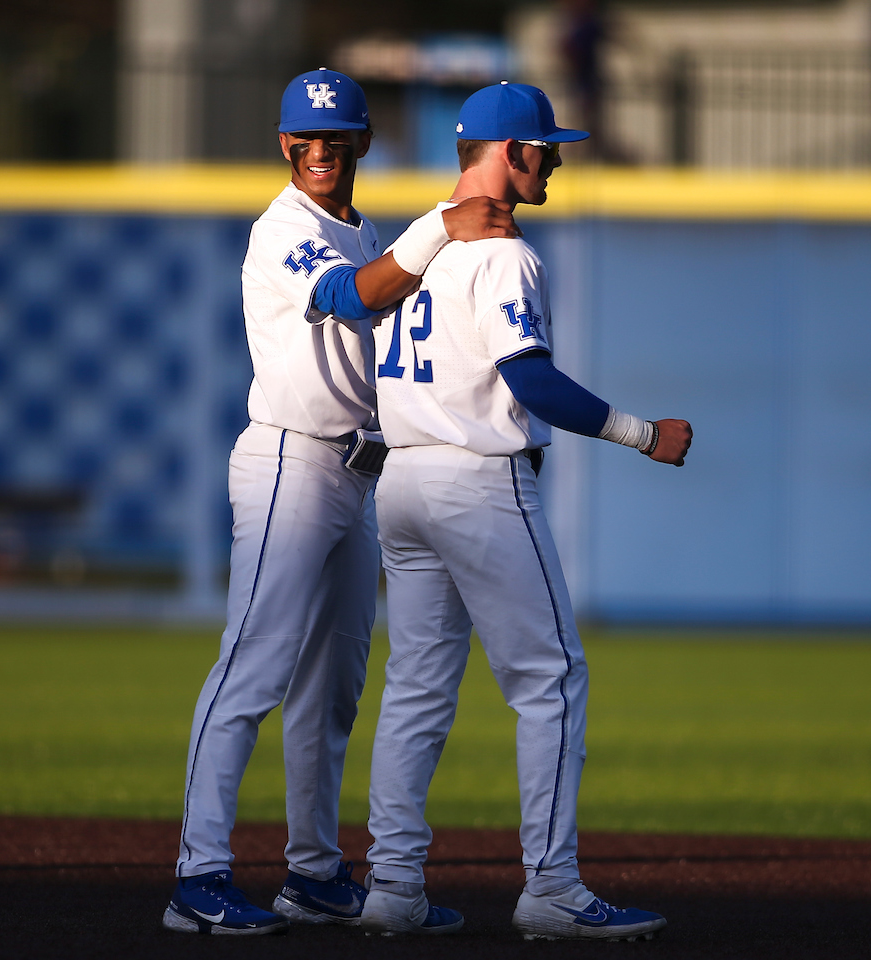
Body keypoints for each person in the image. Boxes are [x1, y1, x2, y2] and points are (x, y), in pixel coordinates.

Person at [162, 68, 518, 936]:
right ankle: (196, 874)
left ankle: (313, 871)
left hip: (358, 475)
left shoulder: (363, 234)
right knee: (254, 663)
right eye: (304, 139)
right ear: (285, 145)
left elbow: (383, 294)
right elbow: (342, 297)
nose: (319, 151)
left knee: (331, 692)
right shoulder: (284, 229)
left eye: (335, 137)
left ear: (360, 142)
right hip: (291, 460)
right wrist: (441, 224)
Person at [361, 81, 692, 940]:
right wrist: (641, 432)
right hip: (477, 480)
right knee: (552, 681)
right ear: (510, 153)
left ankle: (392, 885)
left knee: (416, 691)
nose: (553, 161)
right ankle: (551, 888)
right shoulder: (503, 250)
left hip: (402, 482)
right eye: (546, 148)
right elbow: (532, 380)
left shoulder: (419, 240)